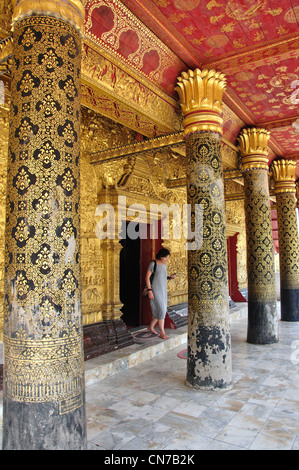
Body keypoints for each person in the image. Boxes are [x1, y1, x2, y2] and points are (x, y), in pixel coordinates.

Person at [144, 248, 176, 340]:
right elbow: (147, 278)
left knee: (161, 310)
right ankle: (162, 332)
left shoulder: (164, 265)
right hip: (155, 290)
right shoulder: (153, 263)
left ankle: (150, 327)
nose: (167, 260)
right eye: (166, 257)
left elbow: (161, 276)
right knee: (162, 310)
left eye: (168, 258)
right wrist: (149, 290)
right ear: (161, 256)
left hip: (163, 290)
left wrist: (170, 277)